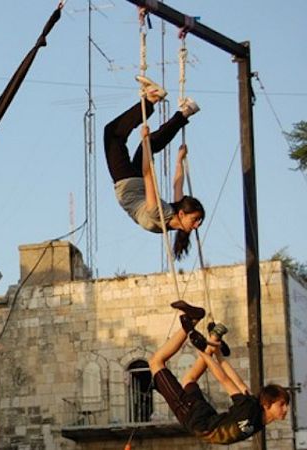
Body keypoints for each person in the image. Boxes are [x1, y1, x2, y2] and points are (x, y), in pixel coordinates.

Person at [150, 300, 291, 444]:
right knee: (157, 363)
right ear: (267, 404)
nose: (286, 409)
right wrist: (205, 352)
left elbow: (237, 381)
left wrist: (218, 354)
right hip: (195, 419)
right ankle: (195, 322)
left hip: (205, 418)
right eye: (281, 404)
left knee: (189, 380)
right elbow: (225, 380)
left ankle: (210, 336)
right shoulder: (250, 408)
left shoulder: (254, 408)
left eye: (285, 404)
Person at [104, 76, 204, 259]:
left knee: (147, 144)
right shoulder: (166, 212)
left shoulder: (170, 213)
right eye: (195, 219)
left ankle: (185, 112)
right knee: (112, 135)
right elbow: (162, 179)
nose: (197, 225)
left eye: (197, 221)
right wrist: (179, 161)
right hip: (129, 183)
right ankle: (153, 99)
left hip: (137, 183)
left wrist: (147, 144)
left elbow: (160, 180)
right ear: (182, 213)